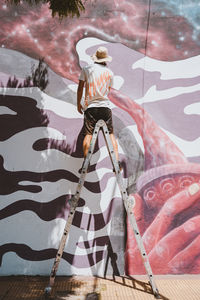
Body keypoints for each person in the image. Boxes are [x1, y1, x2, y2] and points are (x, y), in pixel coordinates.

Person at [77, 46, 120, 170]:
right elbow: (108, 89)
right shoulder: (109, 72)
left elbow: (80, 88)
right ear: (106, 59)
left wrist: (79, 104)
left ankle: (86, 162)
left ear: (95, 58)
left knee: (88, 134)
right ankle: (116, 162)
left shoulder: (86, 69)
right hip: (105, 107)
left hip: (91, 107)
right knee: (110, 135)